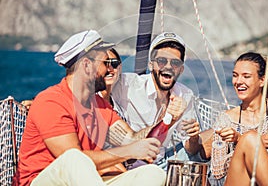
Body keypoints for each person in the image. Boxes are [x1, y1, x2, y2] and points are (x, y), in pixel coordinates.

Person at [16, 30, 166, 186]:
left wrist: (169, 117)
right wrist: (129, 151)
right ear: (87, 65)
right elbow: (72, 161)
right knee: (74, 158)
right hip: (41, 181)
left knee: (153, 174)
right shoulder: (51, 102)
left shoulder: (100, 106)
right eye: (105, 63)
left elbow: (133, 139)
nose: (110, 70)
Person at [112, 32, 210, 170]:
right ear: (151, 65)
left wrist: (193, 136)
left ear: (181, 69)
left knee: (213, 137)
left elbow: (191, 149)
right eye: (162, 61)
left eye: (175, 62)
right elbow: (98, 86)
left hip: (162, 163)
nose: (168, 66)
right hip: (128, 164)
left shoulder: (185, 95)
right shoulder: (126, 85)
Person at [210, 51, 268, 185]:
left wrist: (240, 139)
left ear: (262, 80)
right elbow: (217, 170)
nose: (238, 81)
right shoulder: (225, 118)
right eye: (235, 76)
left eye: (246, 76)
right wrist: (246, 143)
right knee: (250, 138)